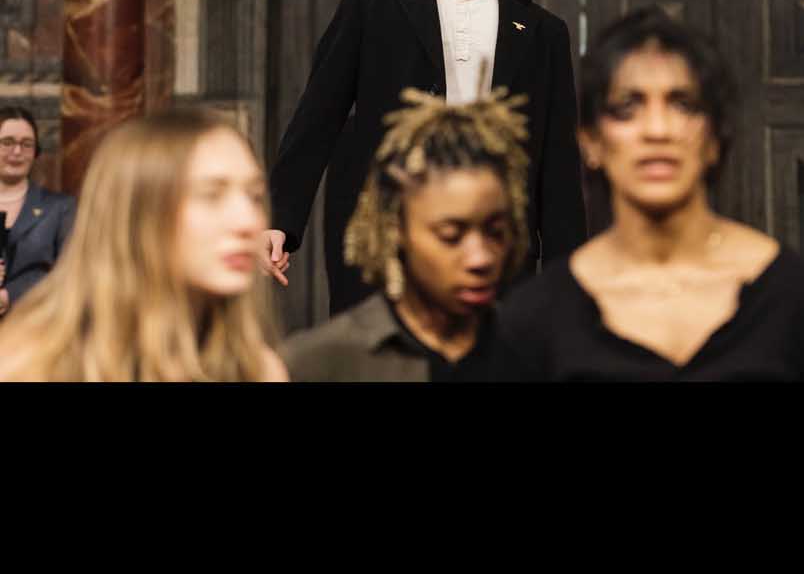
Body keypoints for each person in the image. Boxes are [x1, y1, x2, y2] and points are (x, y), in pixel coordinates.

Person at [265, 0, 586, 314]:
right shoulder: (370, 5)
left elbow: (558, 164)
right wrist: (280, 219)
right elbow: (316, 119)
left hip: (496, 253)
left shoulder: (542, 31)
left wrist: (566, 277)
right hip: (386, 248)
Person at [491, 7, 804, 384]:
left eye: (683, 105)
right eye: (627, 108)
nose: (658, 130)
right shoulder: (535, 318)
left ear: (715, 137)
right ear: (591, 141)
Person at [0, 108, 288, 383]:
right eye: (212, 195)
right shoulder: (28, 364)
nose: (248, 221)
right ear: (139, 213)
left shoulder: (258, 369)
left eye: (254, 196)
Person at [280, 87, 530, 382]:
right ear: (396, 231)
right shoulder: (318, 364)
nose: (481, 258)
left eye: (496, 233)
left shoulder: (538, 355)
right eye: (451, 236)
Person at [0, 108, 75, 321]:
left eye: (27, 144)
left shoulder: (60, 208)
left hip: (34, 324)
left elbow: (70, 272)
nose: (17, 152)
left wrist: (10, 296)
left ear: (35, 152)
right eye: (7, 142)